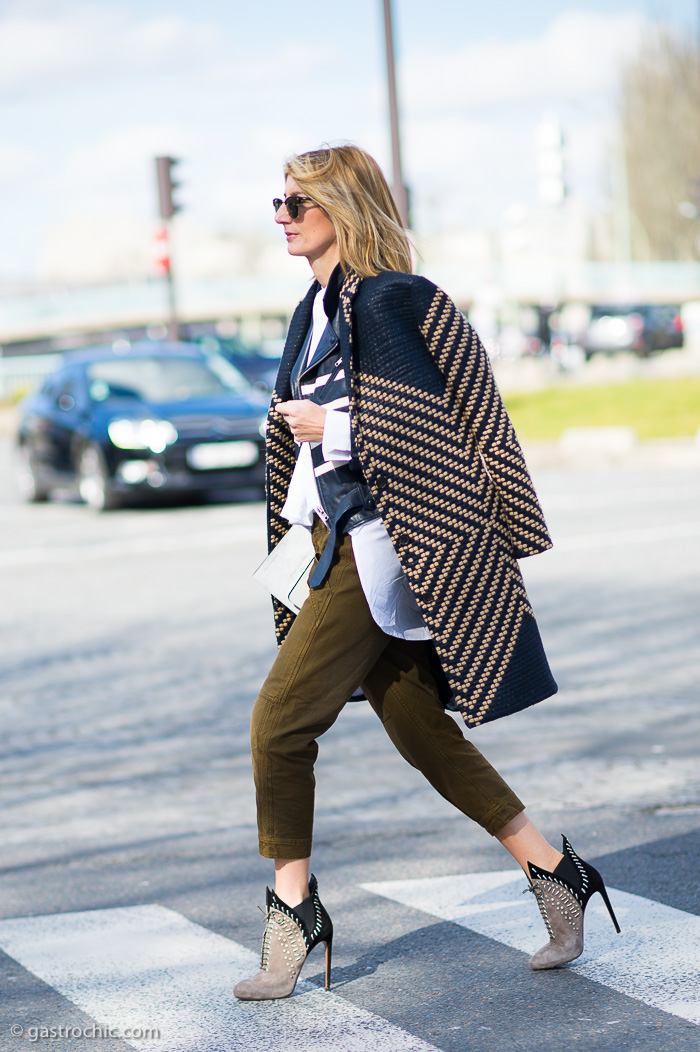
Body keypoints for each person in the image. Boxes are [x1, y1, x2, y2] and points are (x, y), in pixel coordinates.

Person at [233, 144, 620, 1001]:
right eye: (279, 202)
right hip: (331, 542)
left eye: (298, 202)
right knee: (421, 732)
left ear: (343, 205)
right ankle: (557, 872)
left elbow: (439, 425)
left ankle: (292, 914)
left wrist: (329, 433)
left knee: (277, 725)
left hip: (389, 546)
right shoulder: (314, 311)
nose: (283, 216)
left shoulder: (399, 300)